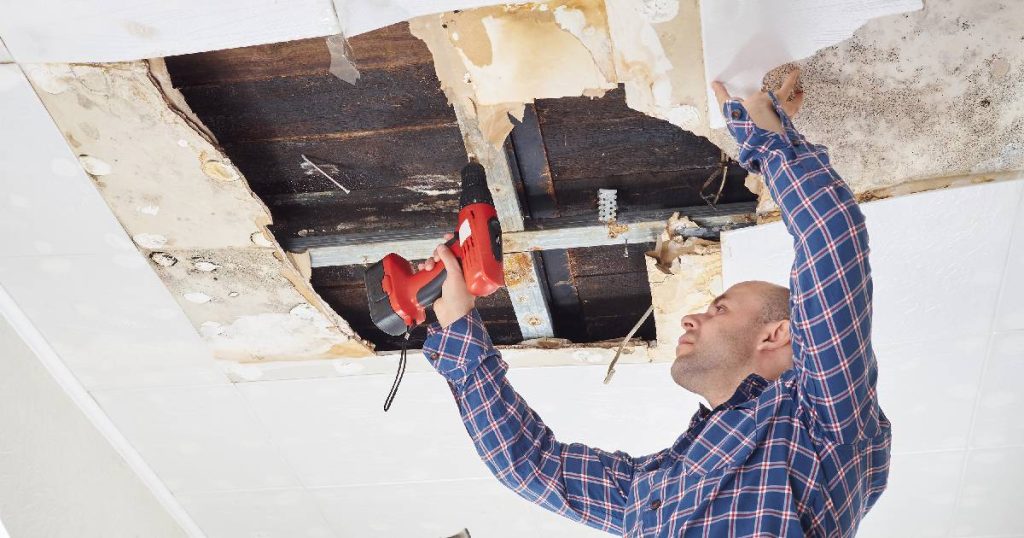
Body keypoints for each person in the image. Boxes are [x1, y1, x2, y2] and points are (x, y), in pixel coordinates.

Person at [415, 68, 891, 537]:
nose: (691, 317)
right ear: (776, 333)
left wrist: (458, 325)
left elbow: (529, 466)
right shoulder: (686, 474)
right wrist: (767, 133)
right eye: (717, 307)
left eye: (719, 308)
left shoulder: (824, 422)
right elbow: (832, 238)